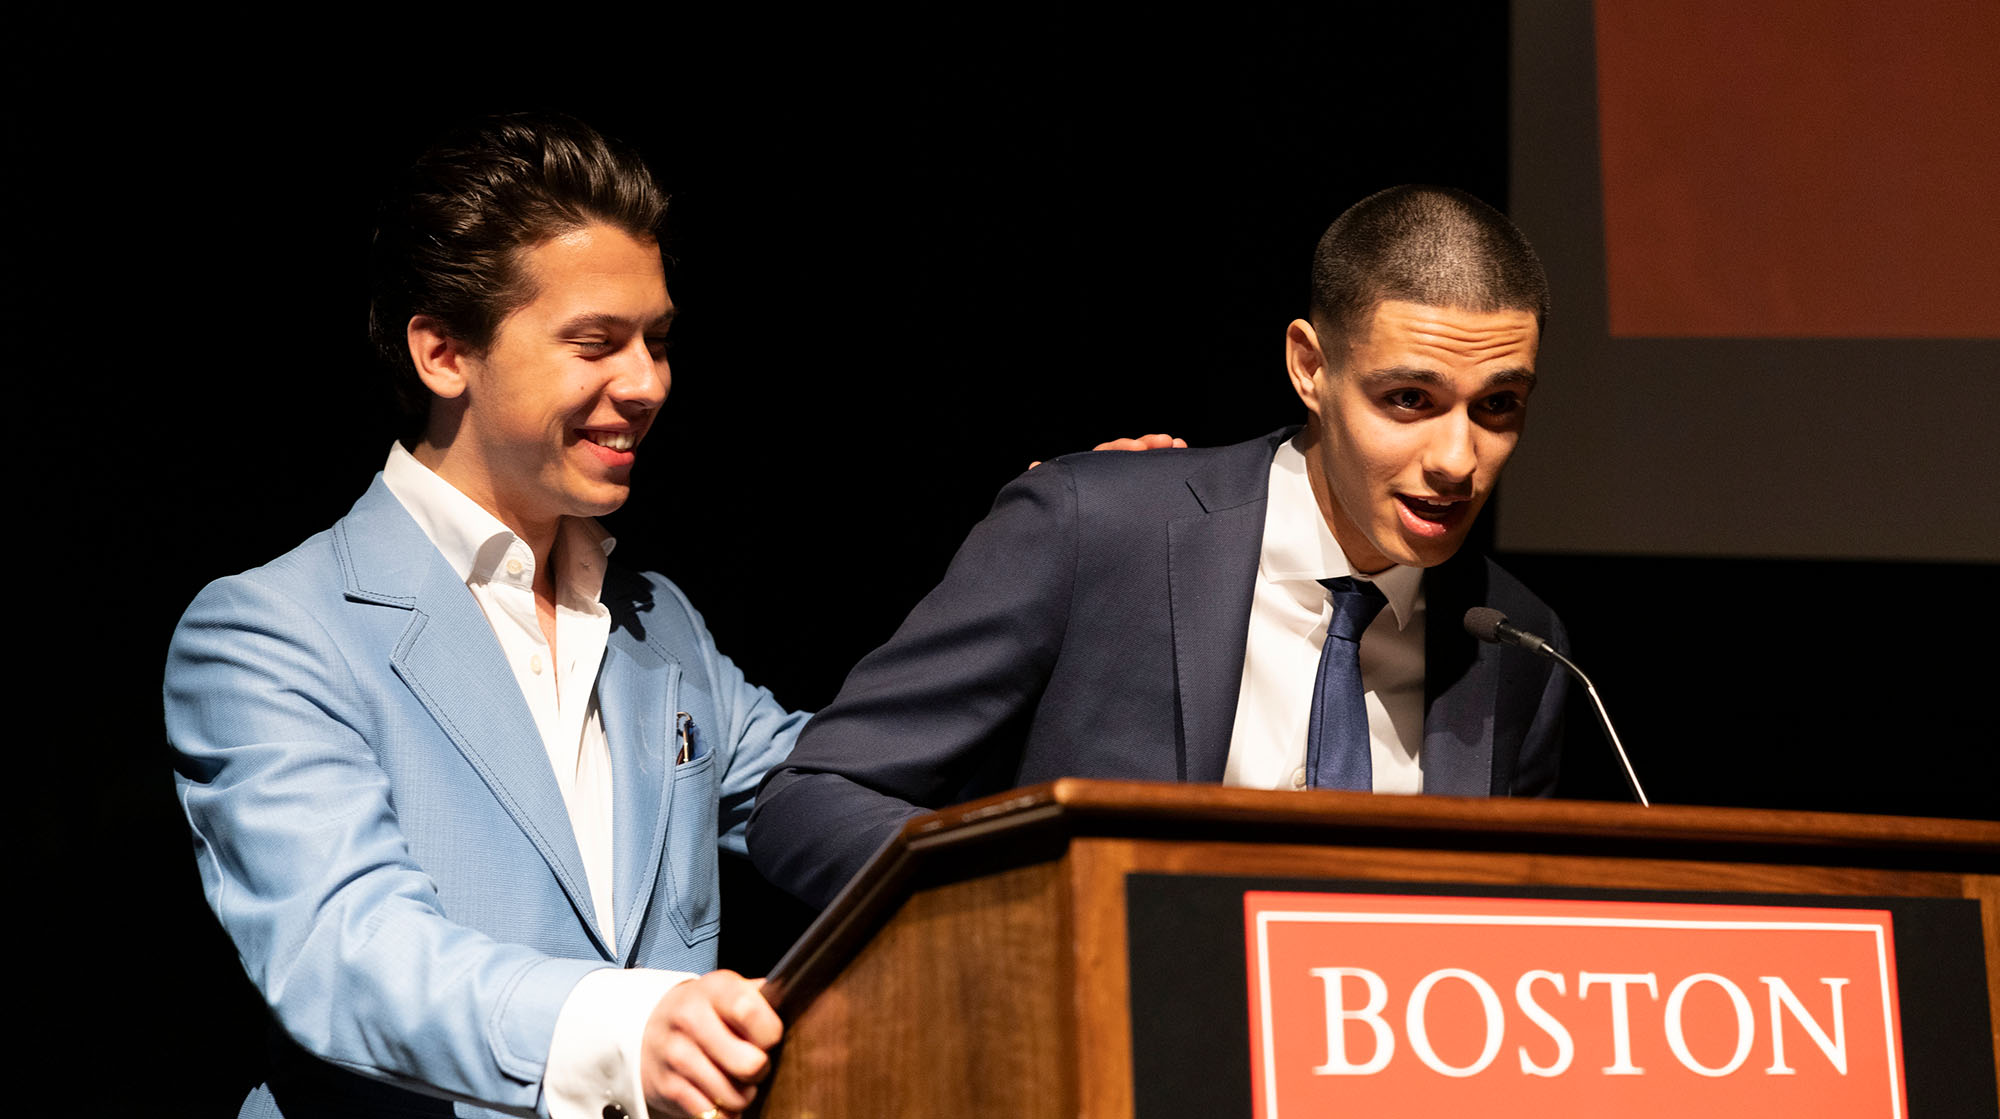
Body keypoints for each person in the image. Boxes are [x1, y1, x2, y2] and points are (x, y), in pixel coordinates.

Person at [165, 114, 804, 1119]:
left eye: (658, 342)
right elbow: (348, 949)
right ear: (442, 353)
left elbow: (839, 797)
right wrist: (625, 1030)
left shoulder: (658, 621)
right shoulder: (267, 632)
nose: (645, 384)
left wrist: (1055, 559)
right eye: (596, 342)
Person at [748, 185, 1571, 910]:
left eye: (1498, 405)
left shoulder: (1517, 643)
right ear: (1309, 367)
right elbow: (812, 799)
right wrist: (1044, 906)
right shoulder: (1096, 527)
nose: (1458, 459)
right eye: (1409, 399)